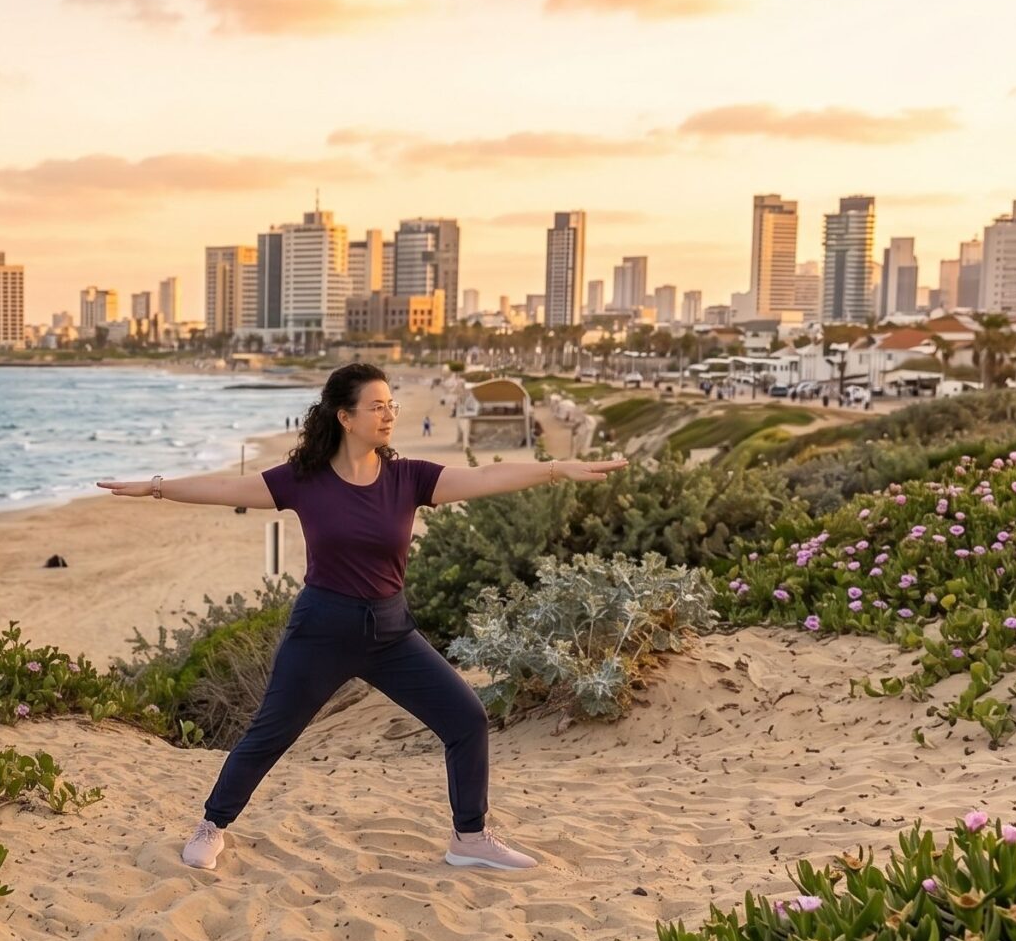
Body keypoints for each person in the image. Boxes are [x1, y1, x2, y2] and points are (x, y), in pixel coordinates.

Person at [100, 362, 626, 874]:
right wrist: (156, 485)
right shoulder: (303, 481)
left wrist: (556, 469)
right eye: (376, 406)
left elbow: (486, 475)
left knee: (466, 719)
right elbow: (225, 489)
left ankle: (470, 838)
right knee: (269, 734)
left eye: (391, 404)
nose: (388, 414)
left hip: (391, 633)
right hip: (321, 631)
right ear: (345, 417)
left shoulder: (409, 479)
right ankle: (212, 827)